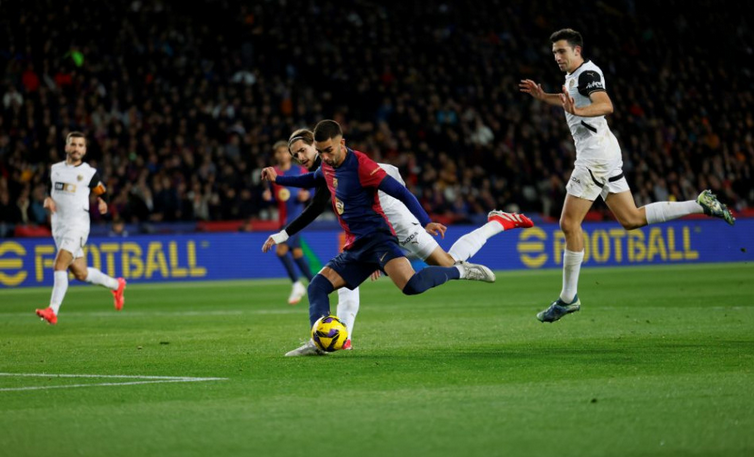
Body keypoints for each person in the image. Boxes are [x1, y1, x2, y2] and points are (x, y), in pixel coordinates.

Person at [519, 28, 735, 323]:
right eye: (554, 52)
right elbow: (574, 102)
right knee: (631, 219)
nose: (557, 57)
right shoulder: (574, 78)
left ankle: (568, 298)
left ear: (577, 51)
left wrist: (580, 112)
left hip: (594, 156)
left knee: (569, 223)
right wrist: (545, 97)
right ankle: (700, 204)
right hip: (604, 152)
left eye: (562, 51)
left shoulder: (587, 74)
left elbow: (605, 104)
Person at [262, 128, 533, 355]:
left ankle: (475, 250)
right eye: (305, 154)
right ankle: (324, 340)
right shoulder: (327, 167)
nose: (309, 157)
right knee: (320, 286)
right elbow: (312, 183)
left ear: (336, 144)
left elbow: (399, 191)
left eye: (307, 151)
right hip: (359, 241)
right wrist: (279, 182)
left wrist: (426, 220)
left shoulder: (361, 166)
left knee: (425, 276)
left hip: (390, 224)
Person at [35, 132, 126, 325]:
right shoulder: (55, 169)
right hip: (58, 227)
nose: (77, 148)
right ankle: (116, 285)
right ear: (66, 147)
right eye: (73, 145)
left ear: (84, 150)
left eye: (80, 146)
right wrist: (47, 198)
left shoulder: (89, 173)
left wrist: (103, 202)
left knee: (59, 265)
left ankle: (53, 310)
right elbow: (47, 188)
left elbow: (103, 191)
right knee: (81, 274)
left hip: (77, 227)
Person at [262, 141, 315, 304]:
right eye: (279, 152)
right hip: (283, 219)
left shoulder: (300, 170)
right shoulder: (274, 173)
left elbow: (313, 186)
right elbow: (272, 196)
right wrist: (267, 197)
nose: (282, 154)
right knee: (297, 254)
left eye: (285, 151)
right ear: (275, 155)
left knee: (281, 250)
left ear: (290, 154)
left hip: (296, 218)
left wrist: (307, 195)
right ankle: (316, 284)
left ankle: (297, 284)